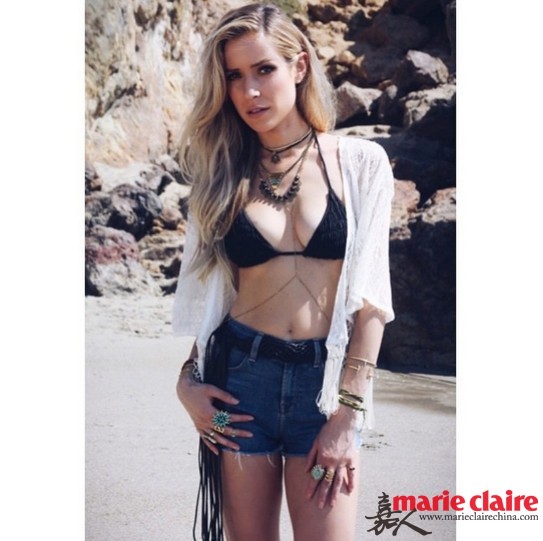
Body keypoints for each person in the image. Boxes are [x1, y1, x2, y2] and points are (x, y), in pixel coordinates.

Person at [173, 3, 394, 540]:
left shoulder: (361, 164)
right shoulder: (220, 174)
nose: (249, 90)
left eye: (264, 69)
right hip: (239, 386)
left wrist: (347, 416)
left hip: (324, 391)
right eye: (234, 76)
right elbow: (213, 297)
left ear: (299, 67)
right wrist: (187, 385)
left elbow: (372, 301)